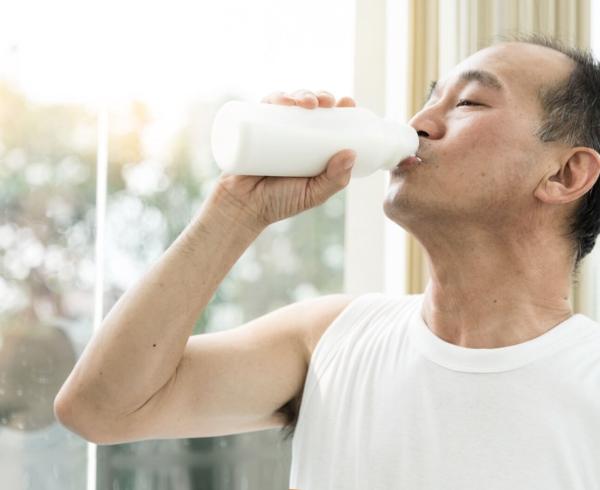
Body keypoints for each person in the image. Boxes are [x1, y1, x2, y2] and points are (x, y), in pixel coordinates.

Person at [54, 33, 600, 489]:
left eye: (468, 103)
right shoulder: (328, 338)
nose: (420, 122)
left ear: (565, 175)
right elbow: (99, 408)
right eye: (429, 100)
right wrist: (237, 210)